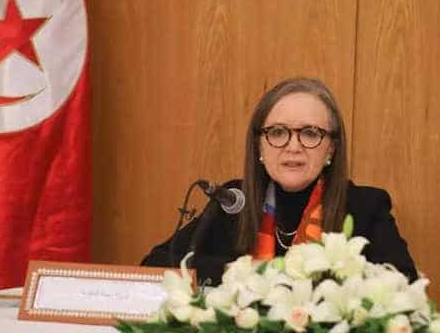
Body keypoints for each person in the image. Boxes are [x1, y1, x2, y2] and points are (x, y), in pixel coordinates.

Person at [142, 77, 418, 284]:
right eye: (277, 132)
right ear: (259, 146)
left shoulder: (364, 207)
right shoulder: (234, 201)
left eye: (310, 133)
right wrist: (238, 272)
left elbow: (403, 282)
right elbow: (155, 265)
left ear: (331, 149)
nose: (293, 146)